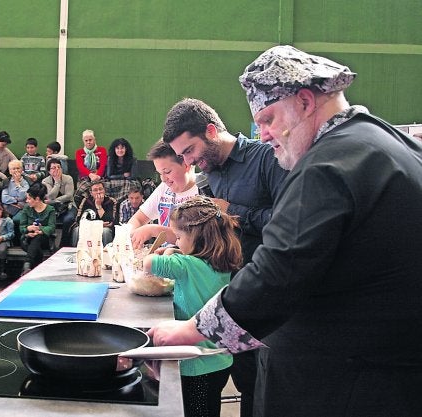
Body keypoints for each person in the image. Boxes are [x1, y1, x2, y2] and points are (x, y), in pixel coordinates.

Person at [148, 45, 422, 417]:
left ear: (306, 101)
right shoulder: (386, 142)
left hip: (345, 383)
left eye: (269, 119)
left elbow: (278, 270)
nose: (263, 135)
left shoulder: (327, 164)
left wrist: (192, 330)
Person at [162, 98, 290, 416]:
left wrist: (234, 211)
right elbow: (215, 237)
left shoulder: (267, 158)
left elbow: (289, 224)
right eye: (181, 156)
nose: (188, 162)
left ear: (210, 131)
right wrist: (183, 249)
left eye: (190, 151)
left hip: (266, 299)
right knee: (225, 383)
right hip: (227, 298)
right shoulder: (213, 174)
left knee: (259, 392)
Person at [143, 196, 242, 417]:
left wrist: (167, 251)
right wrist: (175, 250)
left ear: (195, 236)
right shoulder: (221, 262)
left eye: (178, 237)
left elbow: (148, 263)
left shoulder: (186, 265)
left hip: (196, 363)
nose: (176, 242)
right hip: (220, 359)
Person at [128, 139, 198, 248]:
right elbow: (138, 219)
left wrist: (154, 230)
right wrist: (130, 235)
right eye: (160, 173)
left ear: (186, 164)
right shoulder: (164, 188)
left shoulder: (203, 190)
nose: (163, 179)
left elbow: (195, 241)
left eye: (167, 172)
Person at [19, 183, 56, 276]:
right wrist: (28, 229)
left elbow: (51, 228)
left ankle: (27, 266)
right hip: (27, 239)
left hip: (44, 240)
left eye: (29, 198)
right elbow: (21, 227)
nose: (27, 201)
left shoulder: (50, 210)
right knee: (36, 249)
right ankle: (30, 268)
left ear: (37, 199)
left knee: (38, 237)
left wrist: (40, 229)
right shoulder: (26, 209)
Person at [42, 158, 76, 247]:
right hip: (52, 207)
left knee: (69, 219)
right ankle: (48, 245)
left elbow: (69, 195)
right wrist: (57, 182)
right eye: (53, 168)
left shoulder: (68, 178)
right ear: (49, 171)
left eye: (59, 167)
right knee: (45, 219)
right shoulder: (46, 181)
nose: (57, 169)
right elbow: (50, 195)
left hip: (68, 205)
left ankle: (64, 244)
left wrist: (53, 201)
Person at [72, 180, 117, 247]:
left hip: (104, 228)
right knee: (77, 230)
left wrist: (98, 206)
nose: (98, 192)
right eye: (95, 190)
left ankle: (106, 253)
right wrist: (97, 225)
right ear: (91, 192)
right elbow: (79, 220)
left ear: (104, 190)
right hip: (89, 227)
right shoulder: (86, 201)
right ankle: (76, 253)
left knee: (106, 231)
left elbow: (109, 221)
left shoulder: (111, 201)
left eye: (100, 189)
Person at [1, 160, 30, 224]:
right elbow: (4, 198)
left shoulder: (26, 181)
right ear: (10, 171)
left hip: (21, 208)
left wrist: (17, 184)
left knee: (16, 219)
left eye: (18, 168)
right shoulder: (6, 181)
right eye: (13, 169)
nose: (16, 170)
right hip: (8, 206)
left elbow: (23, 197)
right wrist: (16, 199)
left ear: (22, 170)